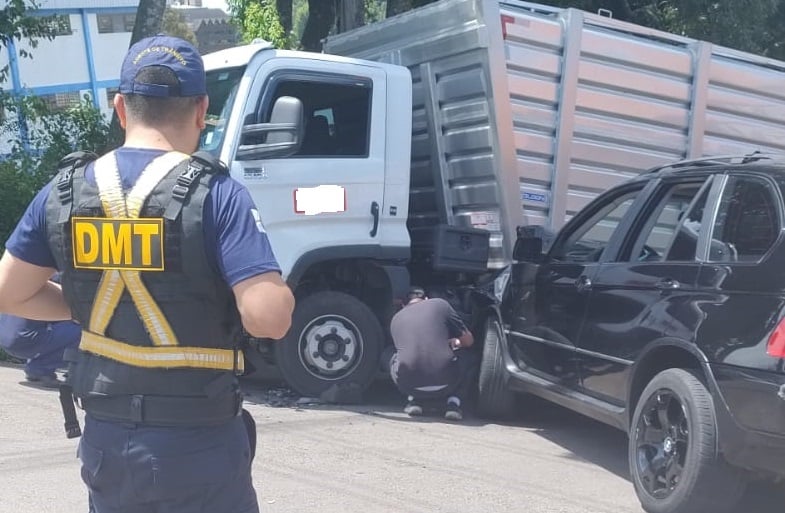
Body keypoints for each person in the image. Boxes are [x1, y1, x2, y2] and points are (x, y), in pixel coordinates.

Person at [0, 35, 295, 513]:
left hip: (108, 441)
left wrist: (83, 307)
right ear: (201, 110)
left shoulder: (64, 192)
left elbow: (10, 293)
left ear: (120, 108)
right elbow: (268, 318)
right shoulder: (218, 195)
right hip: (200, 441)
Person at [389, 287, 478, 421]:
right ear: (426, 299)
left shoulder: (396, 319)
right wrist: (454, 342)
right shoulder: (439, 304)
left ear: (403, 305)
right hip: (447, 384)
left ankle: (414, 400)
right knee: (470, 356)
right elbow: (468, 341)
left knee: (392, 355)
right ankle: (454, 403)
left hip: (409, 386)